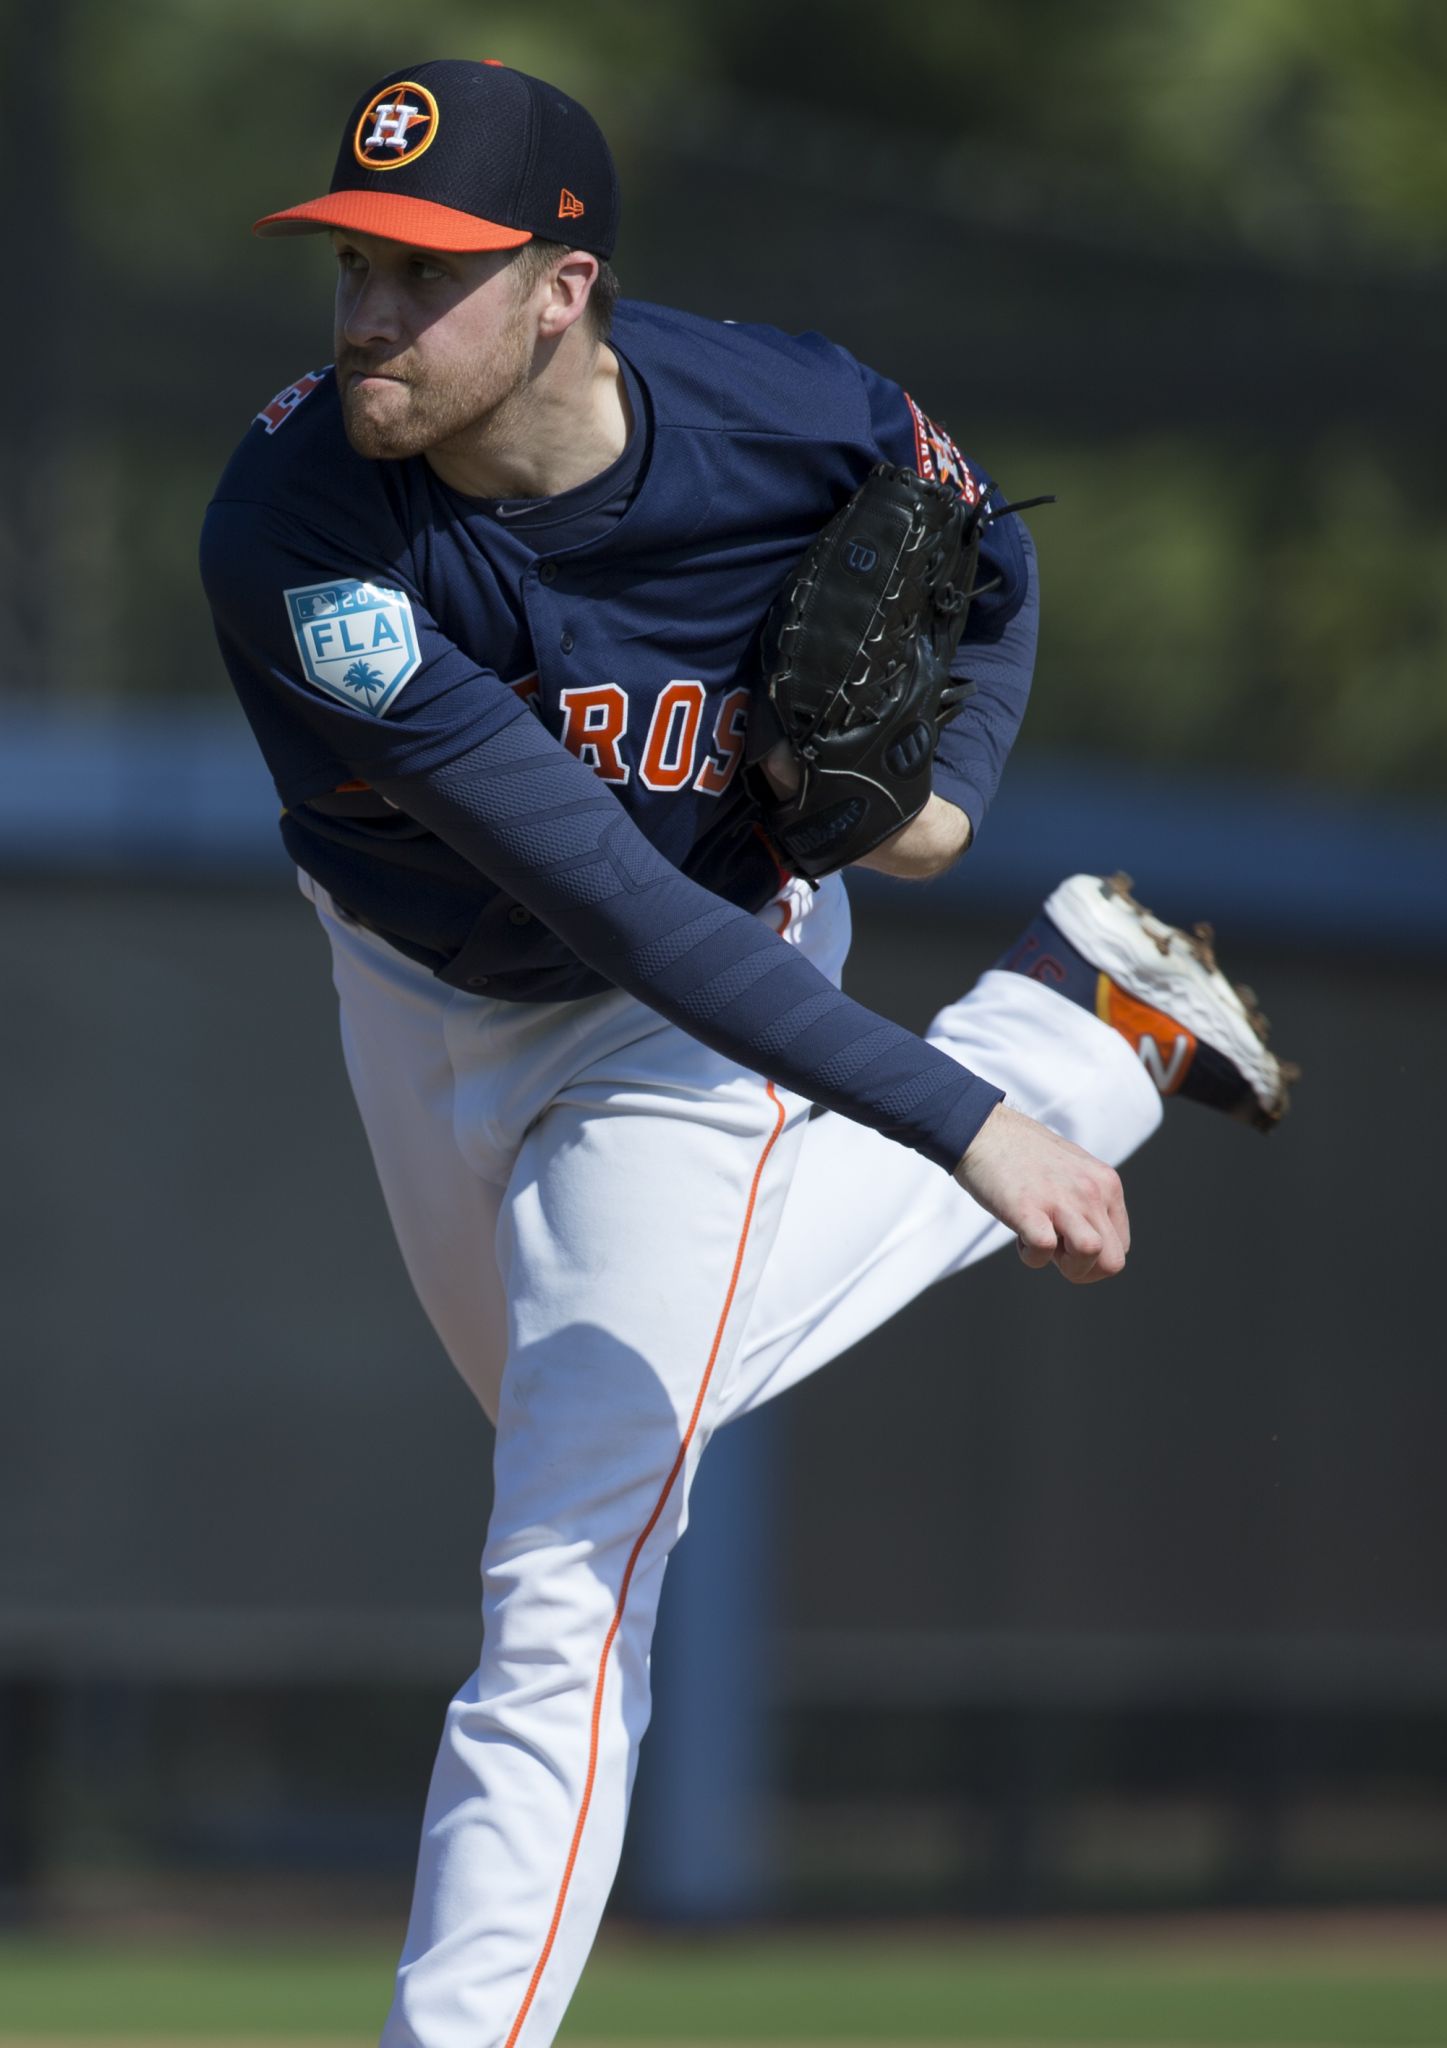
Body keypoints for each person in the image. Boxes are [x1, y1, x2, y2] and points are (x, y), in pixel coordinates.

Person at [201, 58, 1290, 2048]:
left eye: (423, 271)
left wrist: (942, 798)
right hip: (425, 974)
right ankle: (1082, 1032)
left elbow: (985, 556)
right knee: (580, 1431)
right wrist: (976, 1117)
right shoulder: (295, 533)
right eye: (353, 261)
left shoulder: (791, 410)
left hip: (693, 1009)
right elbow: (604, 895)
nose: (367, 308)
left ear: (561, 286)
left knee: (575, 1551)